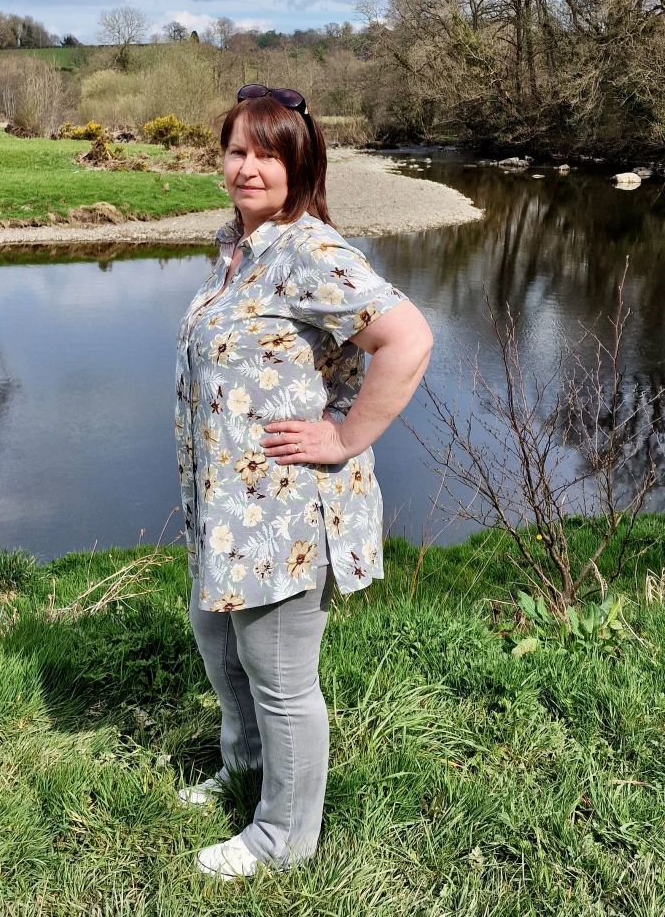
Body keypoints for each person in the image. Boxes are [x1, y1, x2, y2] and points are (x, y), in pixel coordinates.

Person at [173, 83, 434, 880]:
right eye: (236, 151)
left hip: (287, 511)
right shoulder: (237, 247)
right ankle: (245, 765)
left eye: (266, 155)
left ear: (300, 166)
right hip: (227, 511)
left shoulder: (307, 250)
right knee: (218, 641)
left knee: (281, 676)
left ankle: (284, 839)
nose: (246, 168)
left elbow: (409, 339)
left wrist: (346, 436)